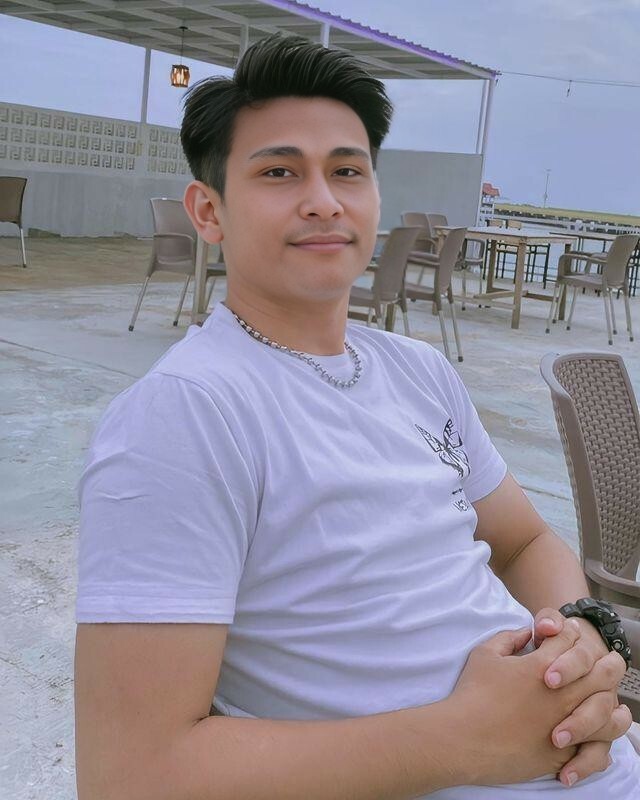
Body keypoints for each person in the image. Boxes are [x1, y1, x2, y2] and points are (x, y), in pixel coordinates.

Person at [74, 34, 639, 800]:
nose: (324, 200)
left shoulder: (419, 373)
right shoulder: (185, 418)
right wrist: (462, 741)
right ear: (208, 210)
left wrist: (575, 633)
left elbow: (524, 539)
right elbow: (129, 775)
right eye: (279, 172)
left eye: (347, 171)